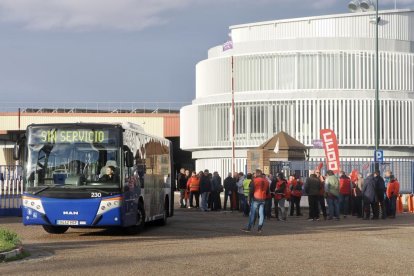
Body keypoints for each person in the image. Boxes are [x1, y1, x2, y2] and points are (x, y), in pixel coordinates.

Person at [241, 169, 269, 233]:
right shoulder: (266, 181)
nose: (254, 175)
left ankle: (249, 228)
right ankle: (259, 228)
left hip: (256, 198)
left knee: (252, 214)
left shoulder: (254, 181)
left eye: (255, 173)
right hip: (263, 199)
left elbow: (251, 191)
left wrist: (249, 199)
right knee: (261, 214)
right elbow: (267, 191)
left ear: (257, 174)